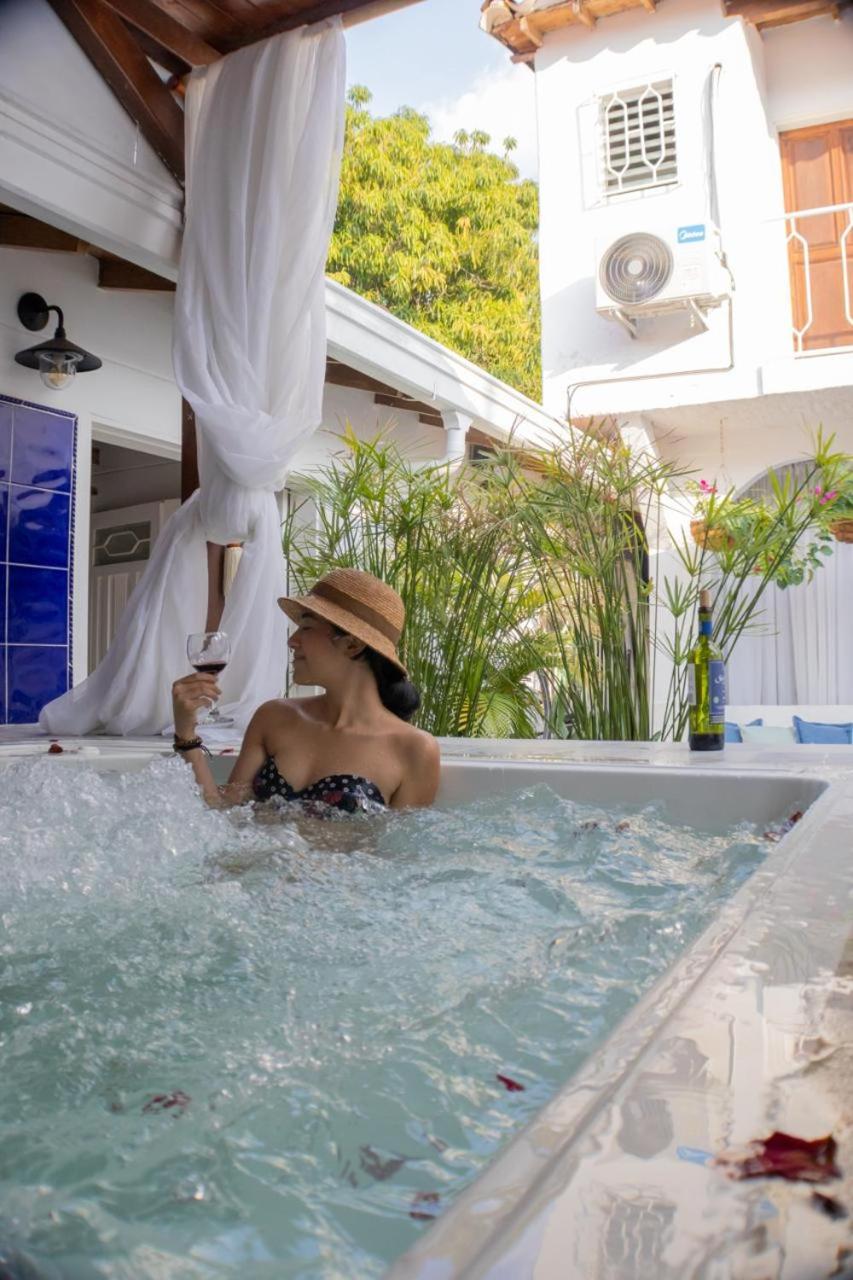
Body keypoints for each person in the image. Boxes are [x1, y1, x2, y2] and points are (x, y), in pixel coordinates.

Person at [171, 568, 440, 812]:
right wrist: (186, 732)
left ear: (352, 645)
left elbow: (401, 848)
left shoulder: (413, 749)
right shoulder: (273, 717)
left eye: (307, 627)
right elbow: (222, 811)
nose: (292, 640)